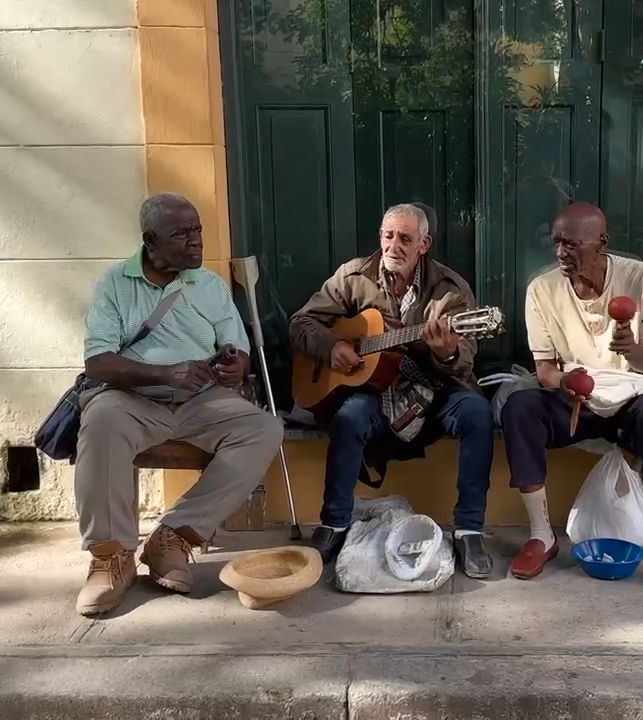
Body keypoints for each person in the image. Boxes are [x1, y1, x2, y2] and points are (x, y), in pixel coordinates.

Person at [500, 202, 643, 618]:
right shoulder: (542, 290)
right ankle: (539, 536)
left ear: (602, 241)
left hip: (635, 392)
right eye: (557, 243)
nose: (563, 252)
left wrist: (632, 348)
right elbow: (545, 369)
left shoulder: (641, 278)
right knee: (520, 406)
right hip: (577, 397)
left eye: (573, 244)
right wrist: (568, 382)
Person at [72, 193, 283, 616]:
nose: (195, 242)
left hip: (201, 403)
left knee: (264, 429)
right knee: (100, 420)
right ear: (151, 241)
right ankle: (110, 557)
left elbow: (236, 349)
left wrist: (233, 368)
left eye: (198, 230)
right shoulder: (115, 284)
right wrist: (167, 373)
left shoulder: (209, 285)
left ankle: (174, 537)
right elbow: (99, 360)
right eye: (181, 234)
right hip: (131, 399)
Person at [289, 203, 494, 579]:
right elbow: (302, 321)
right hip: (375, 391)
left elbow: (465, 360)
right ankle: (334, 523)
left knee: (478, 414)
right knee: (349, 417)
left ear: (424, 244)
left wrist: (446, 350)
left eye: (405, 239)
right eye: (388, 236)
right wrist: (331, 346)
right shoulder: (353, 277)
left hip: (436, 390)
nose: (394, 246)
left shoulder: (451, 290)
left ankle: (469, 529)